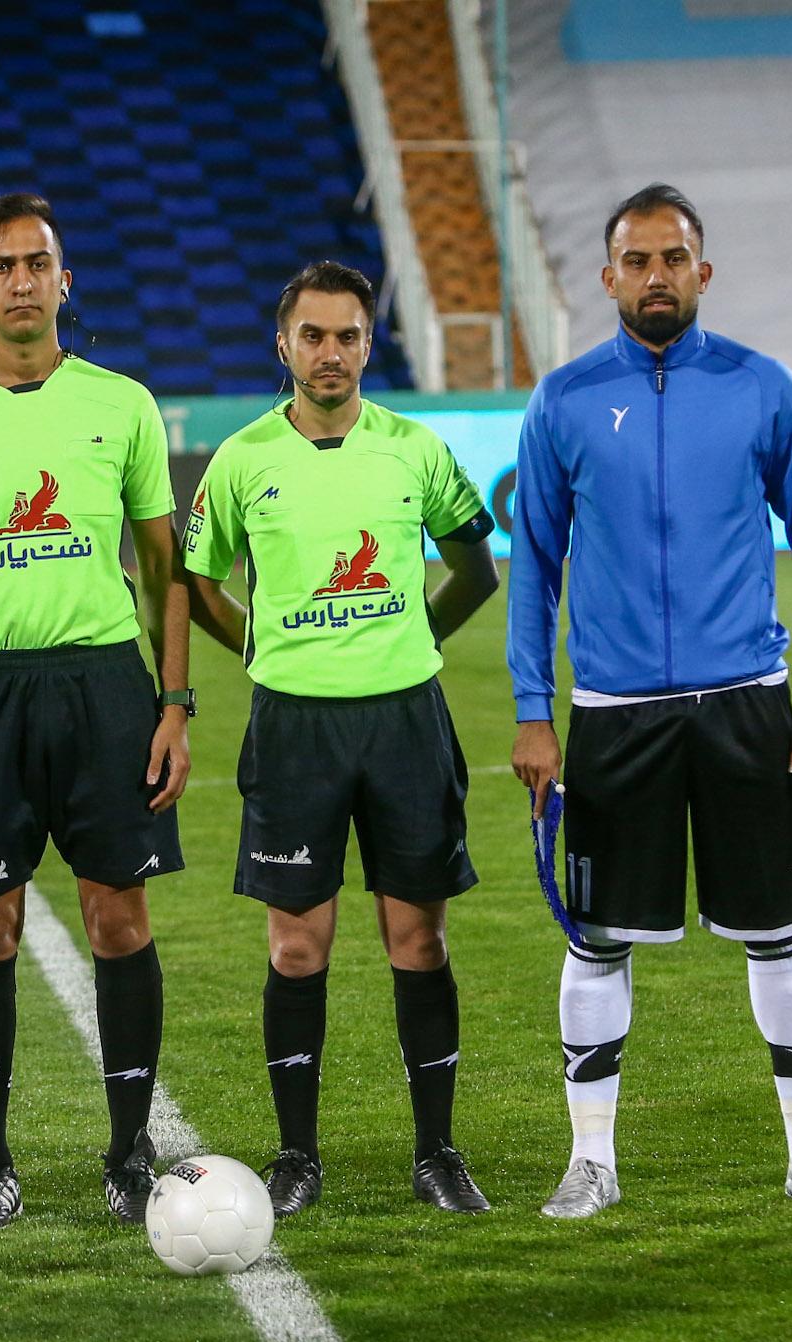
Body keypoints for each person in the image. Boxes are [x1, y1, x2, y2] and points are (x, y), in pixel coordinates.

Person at [508, 184, 792, 1219]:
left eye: (672, 258)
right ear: (607, 276)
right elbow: (532, 564)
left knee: (780, 933)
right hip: (613, 713)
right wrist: (533, 708)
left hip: (746, 705)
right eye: (636, 260)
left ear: (702, 271)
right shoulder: (563, 400)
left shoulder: (762, 387)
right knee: (596, 941)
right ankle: (590, 1160)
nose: (655, 276)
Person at [0, 192, 192, 1230]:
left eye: (36, 264)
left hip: (103, 685)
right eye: (1, 266)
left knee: (119, 916)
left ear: (64, 281)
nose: (20, 281)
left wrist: (174, 704)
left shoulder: (123, 404)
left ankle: (129, 1147)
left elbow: (164, 569)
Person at [185, 262, 501, 1216]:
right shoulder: (241, 459)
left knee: (419, 937)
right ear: (283, 344)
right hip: (294, 727)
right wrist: (260, 643)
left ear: (369, 344)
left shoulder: (416, 448)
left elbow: (475, 568)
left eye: (349, 336)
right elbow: (196, 582)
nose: (331, 353)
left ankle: (438, 1152)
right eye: (313, 336)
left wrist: (413, 637)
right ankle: (296, 1156)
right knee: (296, 947)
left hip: (405, 720)